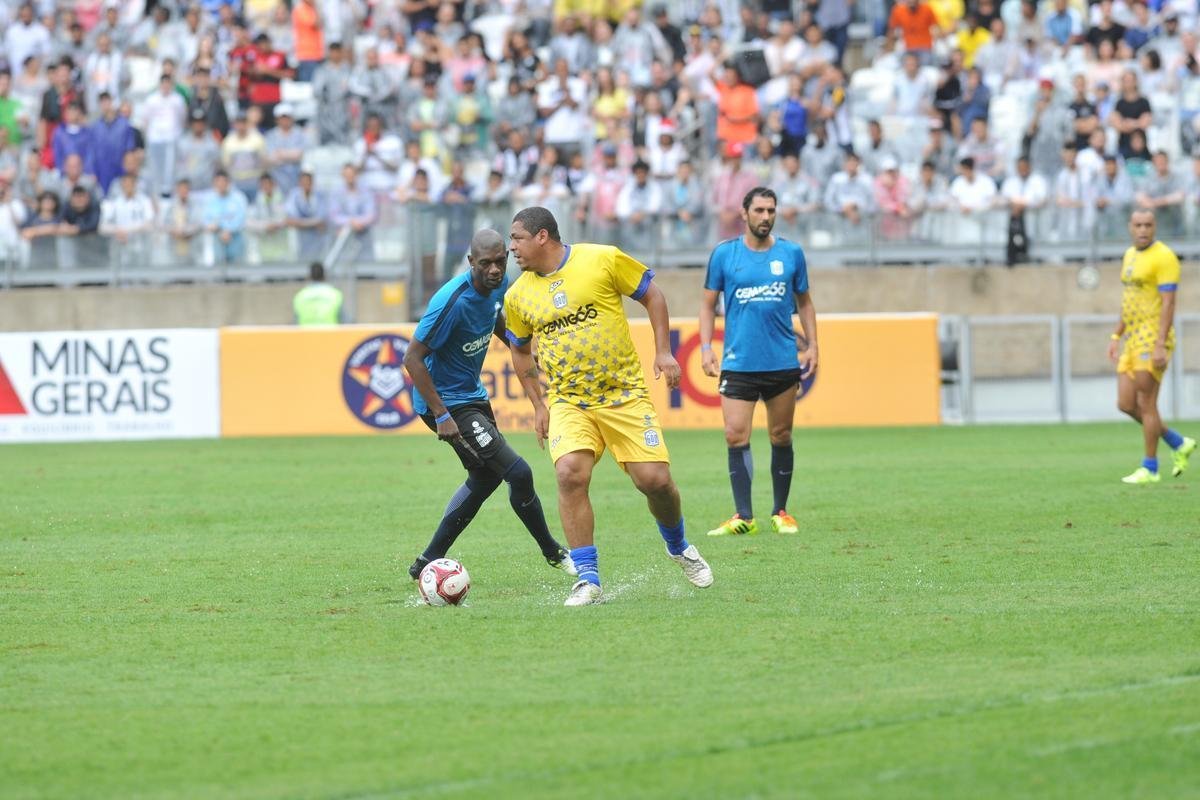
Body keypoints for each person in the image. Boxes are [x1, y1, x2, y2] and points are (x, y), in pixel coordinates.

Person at [503, 206, 713, 606]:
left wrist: (665, 352)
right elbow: (519, 349)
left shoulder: (600, 259)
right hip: (569, 401)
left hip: (624, 394)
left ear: (542, 236)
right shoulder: (517, 296)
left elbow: (652, 294)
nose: (511, 247)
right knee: (568, 473)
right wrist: (539, 404)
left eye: (517, 238)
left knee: (654, 482)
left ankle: (678, 544)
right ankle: (587, 578)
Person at [402, 229, 575, 582]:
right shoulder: (452, 301)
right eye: (486, 263)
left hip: (472, 396)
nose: (495, 269)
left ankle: (427, 561)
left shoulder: (498, 286)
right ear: (471, 262)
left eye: (500, 261)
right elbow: (413, 359)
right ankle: (554, 553)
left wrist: (524, 349)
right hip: (446, 404)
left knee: (484, 479)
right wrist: (442, 415)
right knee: (518, 472)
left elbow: (495, 320)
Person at [698, 187, 816, 538]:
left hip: (781, 360)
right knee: (735, 435)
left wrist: (813, 346)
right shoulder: (724, 254)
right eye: (760, 210)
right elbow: (707, 305)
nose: (766, 217)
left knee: (781, 434)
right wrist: (705, 347)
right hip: (738, 361)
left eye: (771, 210)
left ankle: (781, 511)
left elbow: (805, 303)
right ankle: (744, 517)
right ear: (744, 213)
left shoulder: (791, 253)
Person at [1109, 209, 1195, 484]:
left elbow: (1169, 303)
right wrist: (1115, 335)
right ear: (1130, 227)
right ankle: (1177, 442)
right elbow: (1129, 299)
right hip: (1132, 338)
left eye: (1148, 225)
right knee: (1125, 404)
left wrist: (1160, 344)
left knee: (1147, 403)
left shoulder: (1165, 257)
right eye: (1138, 225)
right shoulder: (1129, 255)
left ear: (1155, 226)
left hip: (1153, 338)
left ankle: (1150, 467)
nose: (1143, 229)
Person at [293, 261, 343, 326]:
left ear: (309, 276)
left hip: (307, 334)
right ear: (324, 276)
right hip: (329, 334)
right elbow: (344, 321)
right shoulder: (335, 295)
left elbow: (296, 322)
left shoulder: (300, 296)